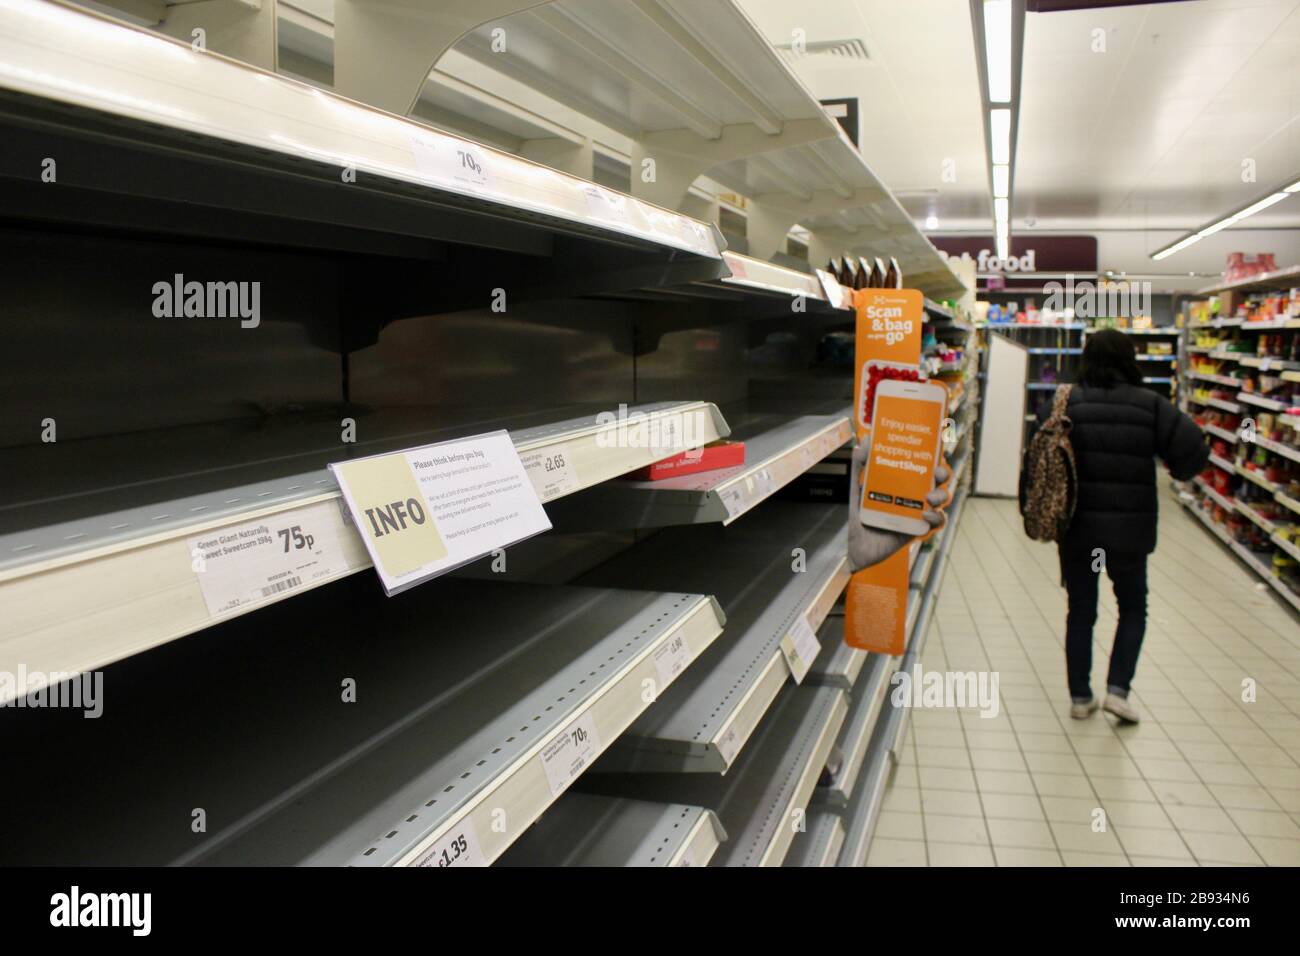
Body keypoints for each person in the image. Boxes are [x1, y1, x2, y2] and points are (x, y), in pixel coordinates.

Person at [1042, 329, 1207, 724]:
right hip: (1129, 535)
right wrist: (1173, 466)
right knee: (1133, 607)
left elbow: (1043, 452)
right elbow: (1192, 452)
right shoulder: (1152, 405)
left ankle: (1080, 697)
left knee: (1081, 610)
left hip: (1081, 531)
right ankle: (1118, 690)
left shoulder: (1070, 401)